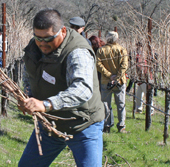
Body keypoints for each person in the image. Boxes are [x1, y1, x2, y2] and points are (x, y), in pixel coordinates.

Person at [18, 8, 105, 167]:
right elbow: (29, 72)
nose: (42, 43)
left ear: (63, 31)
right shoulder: (35, 45)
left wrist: (45, 105)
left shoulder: (77, 51)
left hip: (83, 124)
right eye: (38, 37)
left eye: (48, 38)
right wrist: (27, 94)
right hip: (50, 124)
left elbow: (82, 89)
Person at [96, 31, 128, 133]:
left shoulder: (101, 50)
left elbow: (98, 64)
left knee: (106, 104)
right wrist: (117, 77)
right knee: (121, 104)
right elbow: (124, 66)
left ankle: (107, 126)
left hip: (106, 81)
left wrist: (109, 76)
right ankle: (121, 126)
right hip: (120, 81)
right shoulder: (122, 50)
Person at [134, 42, 154, 115]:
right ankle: (139, 108)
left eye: (139, 47)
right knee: (139, 95)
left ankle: (151, 109)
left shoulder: (143, 55)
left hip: (145, 78)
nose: (138, 48)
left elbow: (141, 66)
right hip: (140, 78)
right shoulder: (138, 55)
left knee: (147, 94)